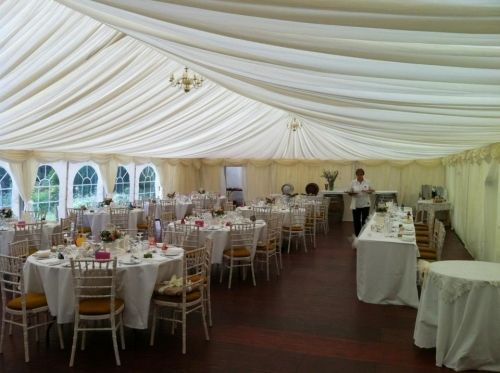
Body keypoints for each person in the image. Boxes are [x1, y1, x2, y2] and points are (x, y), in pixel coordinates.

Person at [348, 168, 374, 236]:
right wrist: (352, 193)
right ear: (356, 175)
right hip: (356, 204)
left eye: (361, 174)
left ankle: (364, 235)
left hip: (366, 204)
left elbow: (372, 190)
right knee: (356, 221)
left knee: (365, 220)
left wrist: (367, 191)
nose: (359, 176)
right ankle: (357, 235)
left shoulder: (368, 181)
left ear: (363, 174)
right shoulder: (353, 182)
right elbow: (349, 192)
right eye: (358, 175)